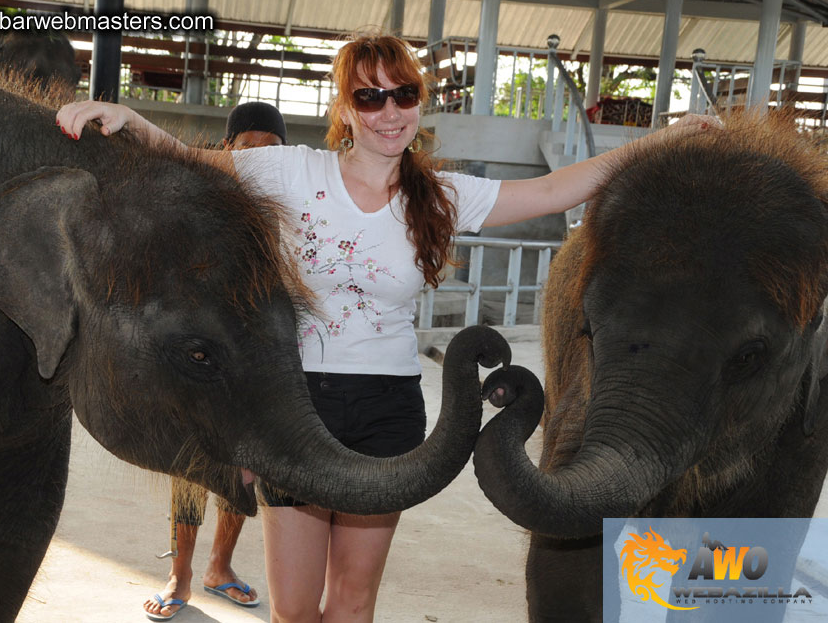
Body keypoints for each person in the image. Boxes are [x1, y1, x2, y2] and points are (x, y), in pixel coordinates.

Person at [56, 34, 717, 623]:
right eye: (370, 97)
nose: (390, 111)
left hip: (388, 410)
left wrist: (657, 141)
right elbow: (189, 159)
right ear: (345, 108)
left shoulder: (442, 196)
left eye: (403, 93)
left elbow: (550, 192)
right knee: (293, 607)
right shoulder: (292, 171)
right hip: (296, 407)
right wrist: (128, 118)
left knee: (351, 604)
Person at [140, 101, 287, 622]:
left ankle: (218, 568)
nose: (262, 162)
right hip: (202, 355)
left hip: (256, 361)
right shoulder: (198, 196)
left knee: (244, 467)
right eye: (251, 149)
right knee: (191, 463)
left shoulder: (288, 207)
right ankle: (179, 575)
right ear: (229, 148)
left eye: (273, 151)